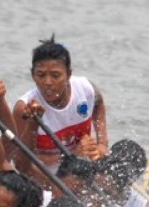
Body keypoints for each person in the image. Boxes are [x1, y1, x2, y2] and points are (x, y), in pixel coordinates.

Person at [12, 36, 108, 183]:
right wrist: (71, 154)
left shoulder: (85, 88)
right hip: (43, 177)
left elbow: (98, 103)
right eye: (41, 75)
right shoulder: (24, 108)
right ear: (33, 75)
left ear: (69, 74)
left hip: (78, 170)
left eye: (55, 75)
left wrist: (102, 144)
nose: (48, 83)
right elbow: (22, 162)